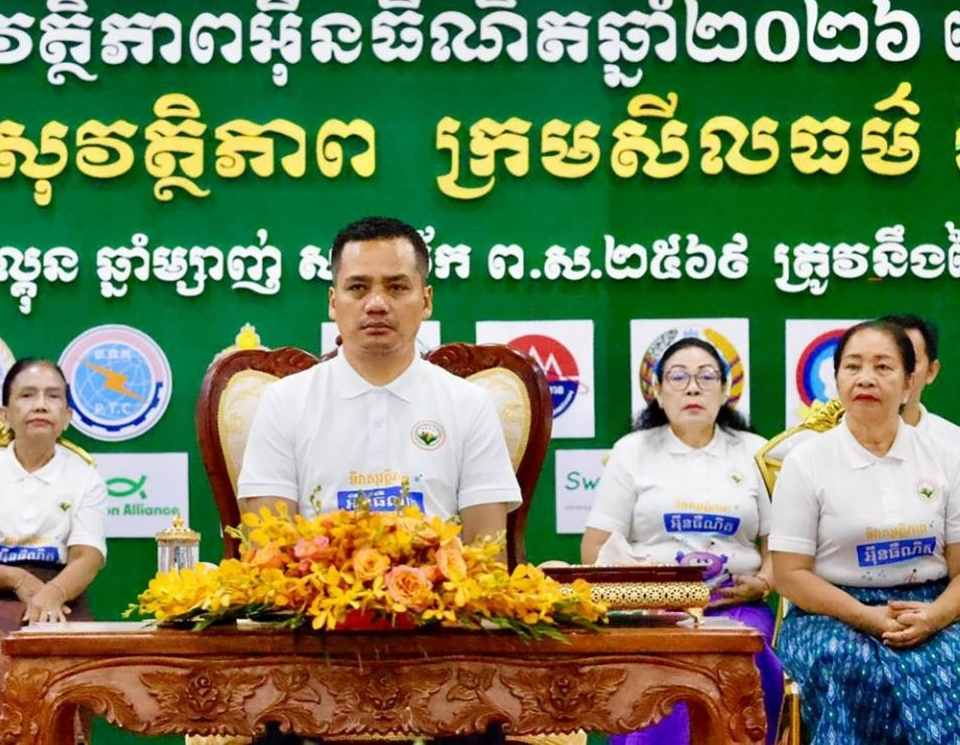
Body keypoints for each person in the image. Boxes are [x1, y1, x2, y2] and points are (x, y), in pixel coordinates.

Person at [770, 320, 960, 743]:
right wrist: (865, 617)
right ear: (837, 379)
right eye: (852, 366)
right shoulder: (805, 461)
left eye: (883, 367)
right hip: (829, 612)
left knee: (951, 654)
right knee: (848, 661)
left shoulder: (947, 457)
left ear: (909, 382)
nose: (866, 378)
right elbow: (790, 574)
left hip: (927, 606)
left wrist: (935, 617)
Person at [237, 215, 522, 547]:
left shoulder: (469, 404)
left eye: (396, 287)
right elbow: (269, 554)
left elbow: (487, 556)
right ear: (333, 302)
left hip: (439, 582)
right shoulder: (284, 402)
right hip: (314, 582)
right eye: (358, 288)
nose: (376, 304)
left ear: (426, 300)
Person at [581, 336, 782, 745]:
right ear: (656, 391)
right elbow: (596, 547)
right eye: (678, 377)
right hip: (650, 613)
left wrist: (763, 582)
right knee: (656, 668)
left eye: (706, 377)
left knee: (747, 662)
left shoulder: (755, 452)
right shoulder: (632, 451)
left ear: (725, 391)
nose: (693, 388)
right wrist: (643, 598)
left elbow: (780, 548)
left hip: (735, 609)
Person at [0, 357, 107, 743]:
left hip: (62, 593)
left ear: (68, 417)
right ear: (4, 414)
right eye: (27, 395)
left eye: (53, 396)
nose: (41, 405)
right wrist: (16, 579)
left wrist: (53, 593)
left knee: (69, 660)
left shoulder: (84, 476)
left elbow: (88, 557)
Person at [880, 312, 960, 682]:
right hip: (850, 591)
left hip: (937, 589)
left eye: (910, 361)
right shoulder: (824, 447)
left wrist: (935, 610)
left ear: (931, 371)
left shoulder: (957, 445)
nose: (897, 374)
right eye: (886, 362)